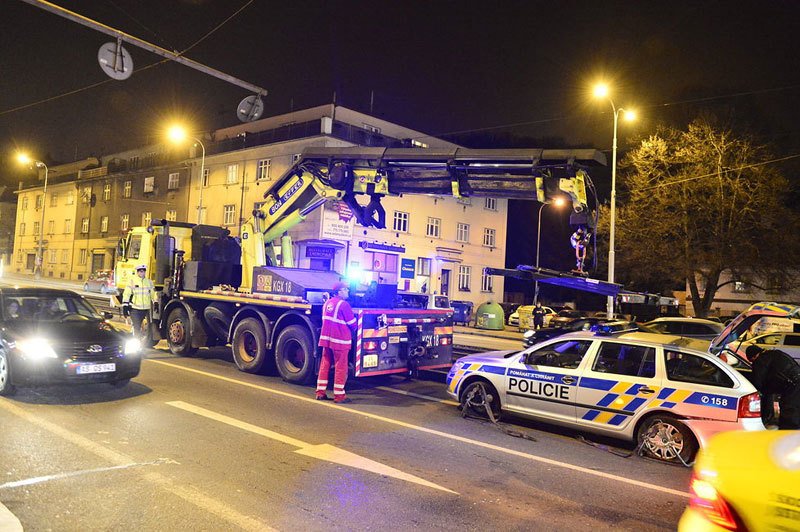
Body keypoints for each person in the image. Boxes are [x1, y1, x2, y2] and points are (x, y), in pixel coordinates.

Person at [316, 281, 357, 403]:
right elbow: (352, 324)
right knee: (341, 367)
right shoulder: (344, 305)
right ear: (339, 291)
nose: (347, 291)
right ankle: (339, 395)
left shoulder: (327, 303)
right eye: (345, 289)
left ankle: (320, 392)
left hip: (326, 340)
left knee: (325, 365)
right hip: (340, 341)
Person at [746, 345, 800, 429]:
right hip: (796, 380)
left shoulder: (760, 360)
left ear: (754, 356)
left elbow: (757, 382)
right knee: (793, 407)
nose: (752, 363)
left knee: (789, 409)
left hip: (792, 385)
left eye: (751, 361)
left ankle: (787, 433)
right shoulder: (775, 353)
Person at [122, 264, 156, 343]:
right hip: (135, 309)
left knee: (145, 327)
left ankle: (137, 342)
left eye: (143, 271)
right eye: (140, 271)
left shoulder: (149, 282)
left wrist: (156, 302)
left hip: (146, 309)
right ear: (137, 272)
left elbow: (153, 294)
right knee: (136, 327)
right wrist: (125, 306)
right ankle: (136, 344)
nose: (142, 273)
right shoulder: (132, 281)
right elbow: (127, 294)